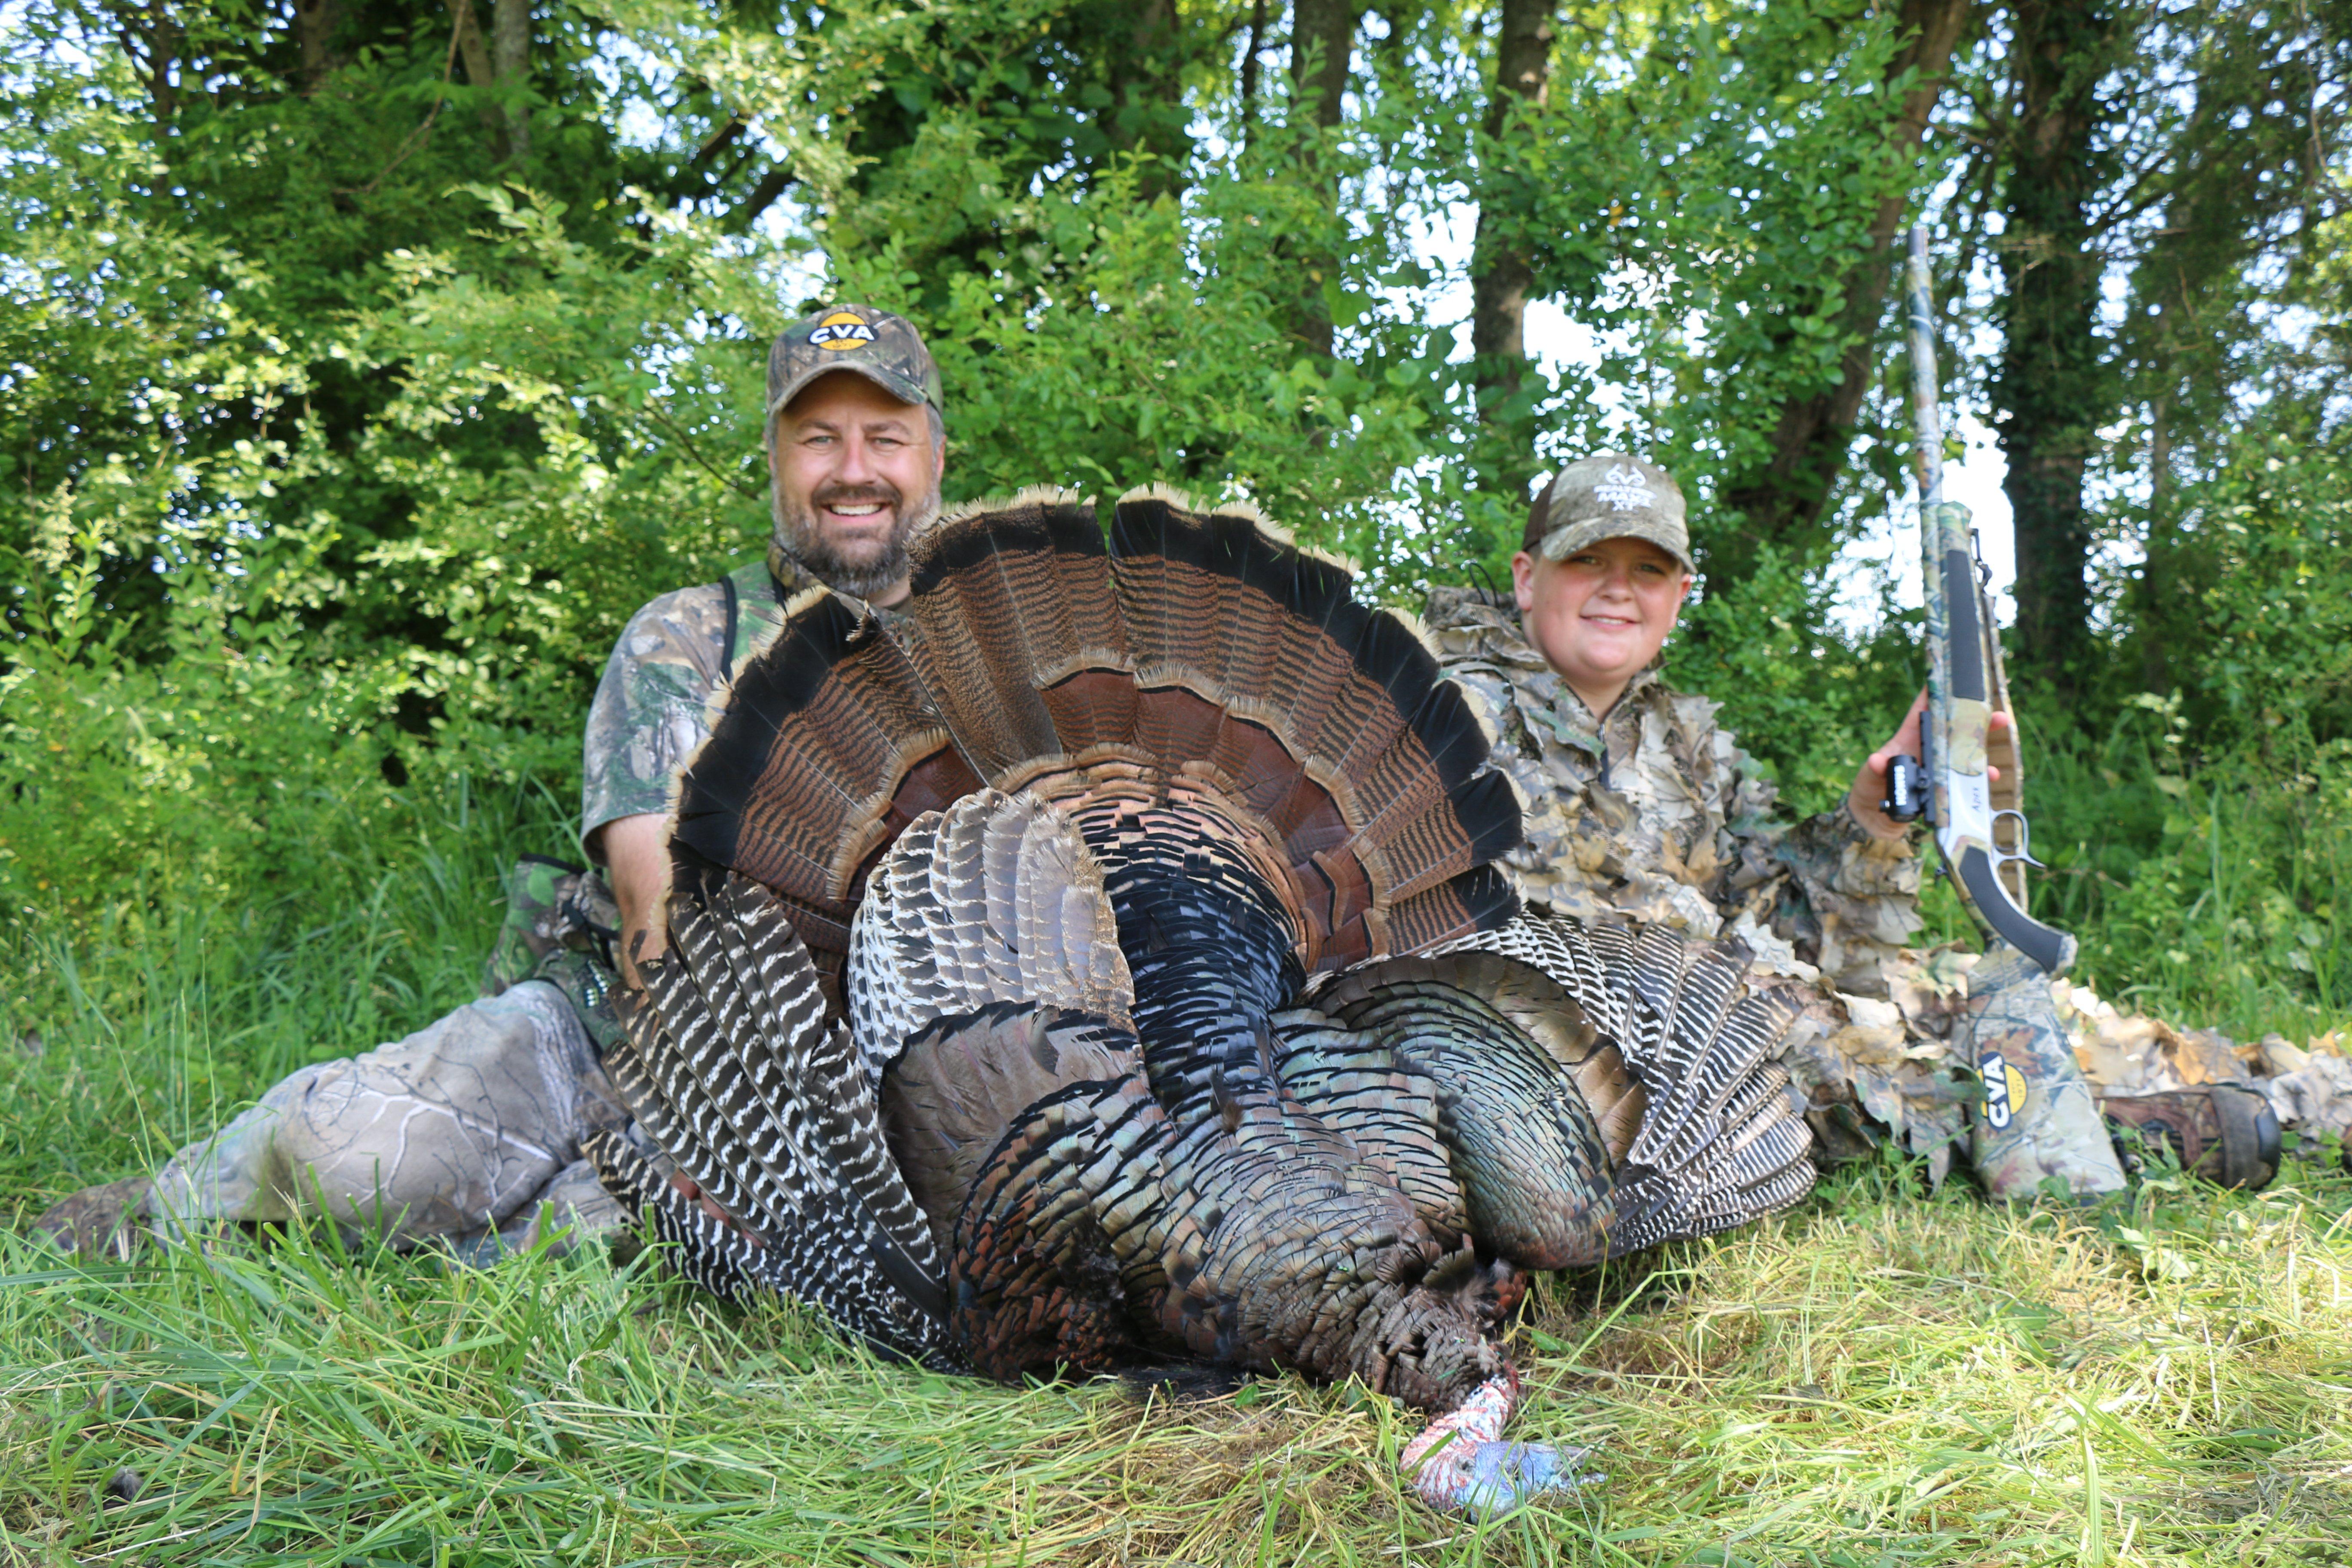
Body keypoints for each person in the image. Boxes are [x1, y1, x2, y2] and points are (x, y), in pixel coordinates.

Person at [31, 304, 949, 1260]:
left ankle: (539, 1226)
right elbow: (654, 919)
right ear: (776, 457)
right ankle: (170, 1203)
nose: (853, 470)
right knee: (351, 1165)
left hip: (900, 1081)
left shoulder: (1009, 666)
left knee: (650, 1247)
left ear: (934, 455)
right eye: (819, 439)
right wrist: (726, 1125)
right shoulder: (688, 640)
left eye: (885, 436)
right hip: (629, 1032)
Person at [1427, 453, 2338, 1190]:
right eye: (1588, 560)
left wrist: (1872, 823)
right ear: (1525, 576)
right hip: (1602, 1067)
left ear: (1680, 593)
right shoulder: (1430, 713)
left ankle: (2292, 1087)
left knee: (1985, 999)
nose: (1618, 589)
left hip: (1741, 1006)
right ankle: (2203, 1127)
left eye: (1648, 570)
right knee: (1874, 1068)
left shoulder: (1684, 737)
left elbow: (1787, 924)